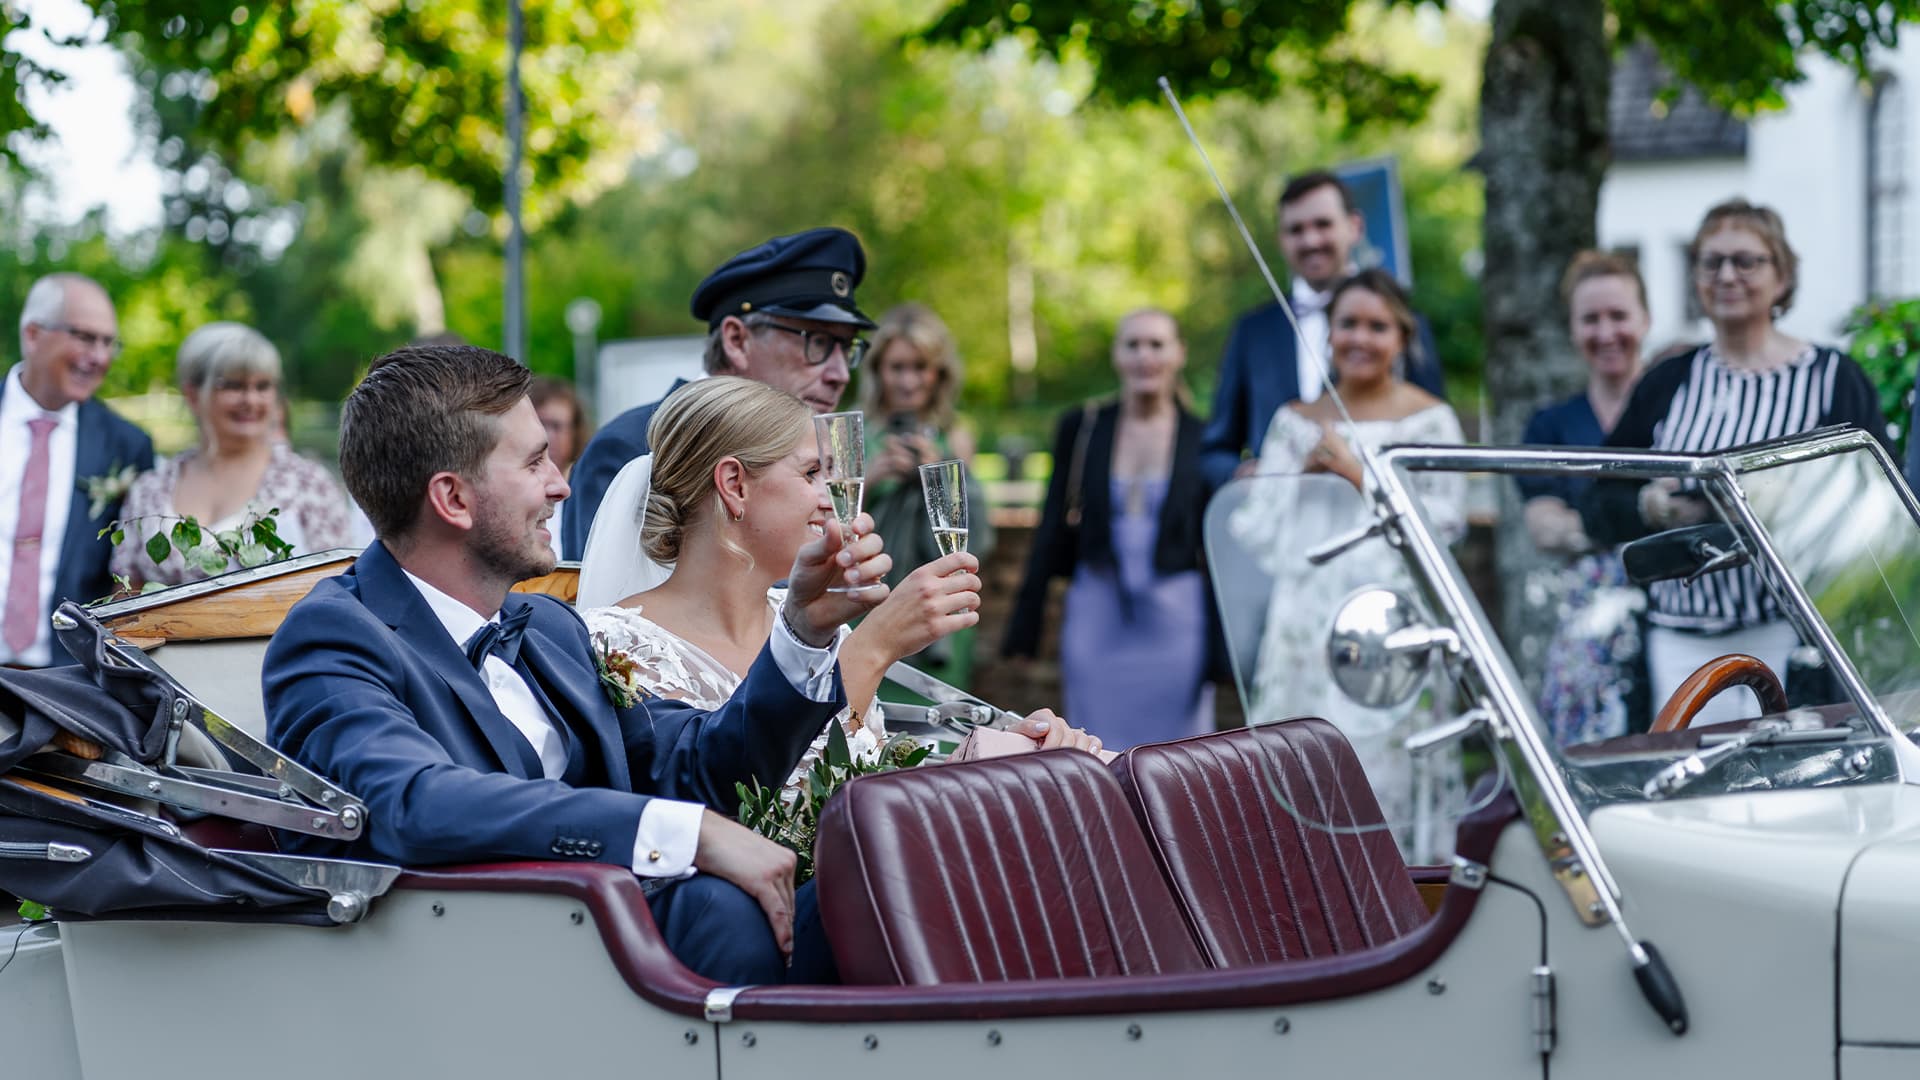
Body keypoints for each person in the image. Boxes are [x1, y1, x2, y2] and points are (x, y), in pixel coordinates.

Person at [263, 343, 888, 986]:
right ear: (453, 499)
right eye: (536, 462)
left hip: (609, 955)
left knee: (883, 882)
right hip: (478, 979)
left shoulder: (548, 629)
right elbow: (411, 800)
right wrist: (684, 831)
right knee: (728, 912)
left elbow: (694, 763)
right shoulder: (334, 638)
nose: (563, 485)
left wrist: (806, 633)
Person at [579, 377, 1096, 782]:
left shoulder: (818, 629)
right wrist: (877, 644)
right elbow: (762, 808)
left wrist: (1008, 754)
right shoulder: (614, 647)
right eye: (811, 474)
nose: (834, 496)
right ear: (734, 484)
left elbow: (870, 787)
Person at [1586, 198, 1891, 728]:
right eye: (1711, 262)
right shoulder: (1668, 379)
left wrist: (1785, 505)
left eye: (1746, 261)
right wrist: (1652, 505)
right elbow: (1600, 498)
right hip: (1674, 639)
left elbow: (1874, 503)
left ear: (1783, 275)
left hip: (1790, 637)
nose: (1727, 275)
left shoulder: (1833, 378)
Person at [1230, 270, 1466, 860]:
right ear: (1328, 333)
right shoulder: (1294, 422)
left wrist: (1358, 475)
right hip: (1303, 630)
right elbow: (1254, 532)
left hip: (1388, 629)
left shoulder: (1430, 421)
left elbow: (1447, 524)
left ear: (1402, 338)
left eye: (1377, 326)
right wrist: (1292, 479)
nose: (1361, 337)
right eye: (1348, 324)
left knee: (1381, 777)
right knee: (1298, 774)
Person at [563, 227, 874, 559]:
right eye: (820, 343)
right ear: (737, 340)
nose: (841, 374)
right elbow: (602, 605)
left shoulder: (821, 453)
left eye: (847, 347)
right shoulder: (634, 446)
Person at [1004, 309, 1219, 751]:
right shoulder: (1083, 427)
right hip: (1097, 613)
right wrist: (1025, 623)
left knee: (1179, 756)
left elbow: (1222, 545)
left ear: (1178, 354)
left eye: (1156, 344)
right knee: (1092, 749)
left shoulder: (1205, 436)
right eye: (1133, 345)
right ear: (1117, 355)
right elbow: (1049, 526)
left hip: (1177, 621)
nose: (1145, 356)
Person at [1200, 170, 1446, 490]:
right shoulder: (1252, 331)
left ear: (1354, 227)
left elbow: (1431, 435)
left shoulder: (1404, 322)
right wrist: (1242, 475)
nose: (1311, 240)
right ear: (1281, 240)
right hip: (1281, 519)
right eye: (1296, 230)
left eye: (1323, 225)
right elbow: (1216, 448)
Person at [1521, 253, 1653, 745]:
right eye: (1590, 319)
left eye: (1618, 315)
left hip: (1676, 618)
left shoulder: (1677, 408)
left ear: (1646, 319)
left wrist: (1587, 523)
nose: (1605, 332)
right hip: (1587, 632)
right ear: (1573, 329)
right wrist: (1642, 516)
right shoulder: (1550, 425)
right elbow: (1544, 528)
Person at [111, 323, 353, 588]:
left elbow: (340, 589)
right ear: (192, 394)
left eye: (262, 386)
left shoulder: (307, 485)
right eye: (234, 386)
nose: (251, 400)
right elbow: (124, 592)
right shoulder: (151, 489)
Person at [1, 273, 154, 667]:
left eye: (108, 343)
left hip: (66, 678)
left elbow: (130, 574)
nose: (100, 357)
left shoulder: (126, 446)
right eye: (85, 337)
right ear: (33, 334)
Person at [859, 303, 994, 687]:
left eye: (920, 367)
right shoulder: (860, 431)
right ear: (878, 370)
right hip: (870, 604)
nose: (908, 381)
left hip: (939, 608)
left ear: (938, 373)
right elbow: (825, 524)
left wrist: (941, 474)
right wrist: (873, 478)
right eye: (897, 367)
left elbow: (975, 537)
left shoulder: (954, 435)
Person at [530, 375, 593, 560]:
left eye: (556, 426)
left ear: (574, 432)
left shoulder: (587, 493)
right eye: (541, 423)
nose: (547, 436)